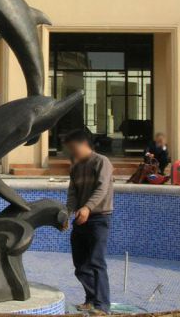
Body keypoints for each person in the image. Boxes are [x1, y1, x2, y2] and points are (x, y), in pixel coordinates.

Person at [64, 129, 114, 316]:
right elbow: (72, 193)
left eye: (73, 148)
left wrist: (87, 208)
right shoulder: (76, 167)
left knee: (96, 261)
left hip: (99, 218)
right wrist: (67, 213)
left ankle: (102, 306)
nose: (71, 152)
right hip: (81, 219)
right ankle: (91, 299)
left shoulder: (101, 161)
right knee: (80, 264)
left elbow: (102, 188)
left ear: (84, 144)